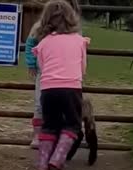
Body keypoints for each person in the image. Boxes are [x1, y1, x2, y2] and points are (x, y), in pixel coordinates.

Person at [32, 0, 89, 170]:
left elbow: (41, 66)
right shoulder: (79, 41)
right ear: (72, 17)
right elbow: (83, 68)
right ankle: (58, 158)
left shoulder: (43, 43)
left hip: (48, 89)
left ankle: (43, 162)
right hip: (71, 88)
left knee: (49, 124)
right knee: (72, 124)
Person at [25, 0, 82, 149]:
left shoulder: (73, 29)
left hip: (65, 74)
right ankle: (38, 134)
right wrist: (31, 63)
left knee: (62, 106)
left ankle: (55, 136)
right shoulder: (39, 27)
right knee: (39, 103)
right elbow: (31, 43)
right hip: (44, 72)